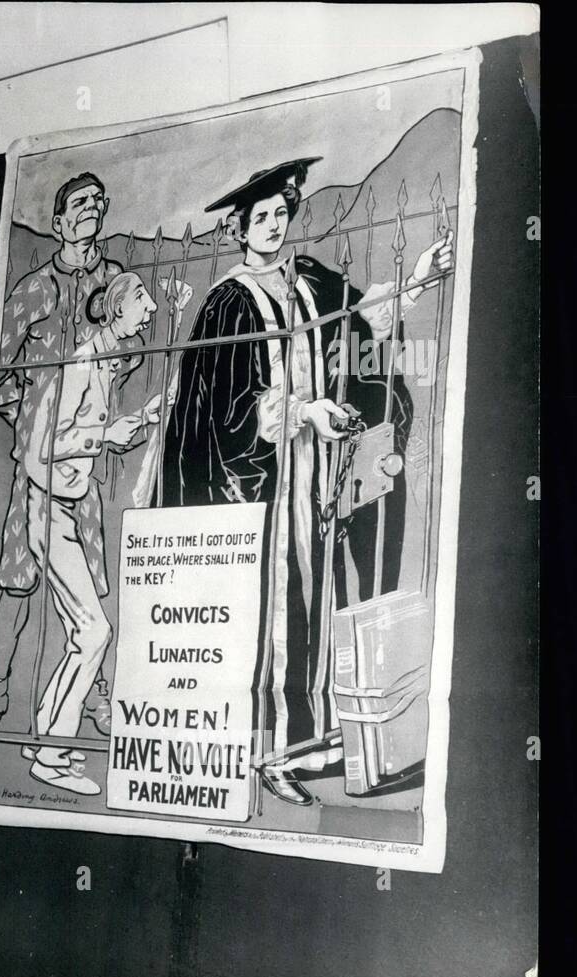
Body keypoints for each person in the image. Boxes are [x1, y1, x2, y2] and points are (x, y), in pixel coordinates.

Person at [161, 158, 453, 805]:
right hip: (264, 485)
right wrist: (303, 411)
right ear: (240, 228)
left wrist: (418, 280)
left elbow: (360, 324)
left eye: (280, 213)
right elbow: (233, 409)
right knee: (280, 616)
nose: (271, 224)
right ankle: (273, 753)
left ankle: (315, 740)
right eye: (259, 216)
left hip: (318, 478)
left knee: (318, 607)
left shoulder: (308, 282)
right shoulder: (230, 301)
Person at [0, 173, 140, 737]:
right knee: (17, 580)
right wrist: (28, 418)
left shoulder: (117, 281)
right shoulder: (34, 289)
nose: (89, 210)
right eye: (77, 204)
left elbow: (133, 348)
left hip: (84, 468)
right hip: (34, 468)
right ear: (59, 222)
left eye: (97, 202)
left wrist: (112, 371)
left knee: (90, 578)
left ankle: (96, 697)